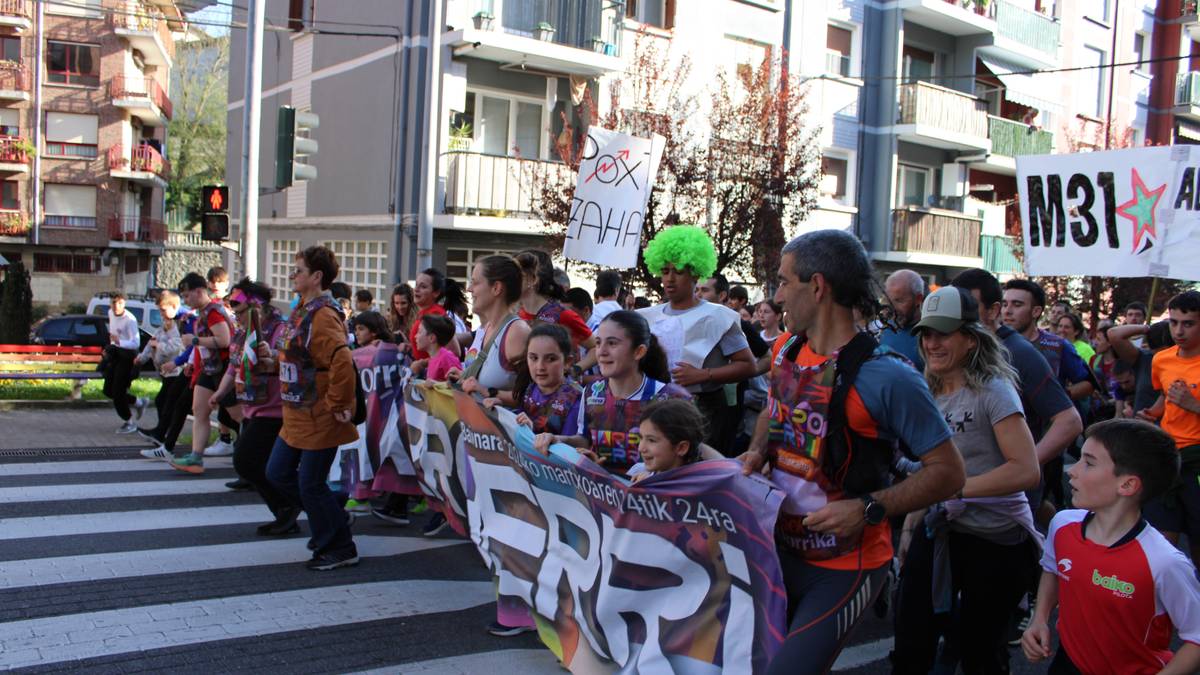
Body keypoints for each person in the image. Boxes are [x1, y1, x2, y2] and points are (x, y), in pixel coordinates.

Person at [740, 230, 965, 675]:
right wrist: (758, 450)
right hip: (778, 549)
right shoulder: (786, 349)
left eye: (783, 282)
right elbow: (773, 408)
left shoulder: (887, 376)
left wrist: (867, 509)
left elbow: (949, 473)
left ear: (817, 286)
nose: (777, 296)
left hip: (845, 565)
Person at [891, 286, 1041, 674]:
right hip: (940, 527)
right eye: (926, 334)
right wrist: (910, 526)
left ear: (971, 339)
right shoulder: (927, 390)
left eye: (943, 333)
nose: (931, 343)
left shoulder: (994, 390)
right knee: (910, 642)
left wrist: (953, 489)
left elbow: (1026, 470)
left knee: (981, 652)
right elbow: (931, 468)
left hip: (994, 537)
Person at [951, 268, 1082, 643]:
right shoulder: (952, 346)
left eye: (968, 308)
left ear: (991, 312)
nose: (957, 317)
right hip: (960, 505)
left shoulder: (1020, 353)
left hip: (1004, 511)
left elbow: (1069, 421)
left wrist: (1023, 465)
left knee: (987, 629)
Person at [1021, 419, 1200, 675]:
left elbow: (1196, 638)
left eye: (1089, 463)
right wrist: (1039, 619)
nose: (1073, 471)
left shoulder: (1163, 562)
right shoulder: (1062, 525)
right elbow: (1053, 569)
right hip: (1067, 664)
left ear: (1127, 485)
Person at [266, 245, 360, 570]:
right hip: (296, 413)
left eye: (299, 271)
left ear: (317, 276)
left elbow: (342, 360)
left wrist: (338, 403)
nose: (292, 275)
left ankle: (339, 546)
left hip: (318, 413)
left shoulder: (323, 315)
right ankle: (332, 513)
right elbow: (298, 357)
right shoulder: (302, 309)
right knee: (277, 474)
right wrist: (270, 362)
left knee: (310, 484)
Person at [639, 227, 757, 454]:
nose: (669, 279)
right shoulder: (646, 317)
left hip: (704, 411)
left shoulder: (718, 316)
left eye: (678, 271)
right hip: (657, 406)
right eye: (665, 271)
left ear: (695, 274)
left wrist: (704, 375)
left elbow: (748, 365)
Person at [534, 311, 692, 476]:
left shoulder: (671, 399)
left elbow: (689, 458)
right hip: (599, 489)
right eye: (598, 343)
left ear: (639, 351)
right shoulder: (592, 392)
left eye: (612, 343)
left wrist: (652, 475)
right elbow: (586, 439)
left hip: (651, 491)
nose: (601, 352)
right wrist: (559, 440)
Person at [206, 278, 296, 535]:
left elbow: (290, 360)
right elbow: (234, 365)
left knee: (246, 462)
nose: (235, 315)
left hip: (275, 410)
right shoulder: (241, 332)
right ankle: (287, 511)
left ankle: (294, 506)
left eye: (239, 309)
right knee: (262, 466)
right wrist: (220, 392)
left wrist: (273, 355)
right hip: (253, 407)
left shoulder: (280, 329)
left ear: (256, 307)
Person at [1137, 291, 1200, 562]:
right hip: (1167, 459)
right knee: (1161, 547)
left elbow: (1184, 401)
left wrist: (1193, 405)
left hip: (1197, 462)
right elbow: (1166, 395)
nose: (1179, 331)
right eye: (1174, 322)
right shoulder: (1162, 359)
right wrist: (1152, 414)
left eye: (1188, 324)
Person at [171, 273, 236, 475]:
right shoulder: (204, 312)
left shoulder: (214, 312)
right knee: (199, 410)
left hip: (224, 368)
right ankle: (196, 457)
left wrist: (195, 340)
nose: (185, 301)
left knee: (238, 415)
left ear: (199, 292)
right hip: (209, 368)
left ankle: (255, 452)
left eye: (187, 295)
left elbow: (224, 340)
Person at [514, 249, 596, 369]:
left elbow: (596, 348)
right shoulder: (514, 314)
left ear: (532, 279)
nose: (508, 279)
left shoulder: (563, 315)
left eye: (515, 273)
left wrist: (577, 369)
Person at [510, 324, 582, 439]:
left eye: (551, 359)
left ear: (567, 362)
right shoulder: (531, 388)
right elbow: (520, 417)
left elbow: (568, 446)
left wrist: (531, 432)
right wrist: (498, 410)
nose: (540, 367)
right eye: (534, 358)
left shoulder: (575, 400)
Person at [134, 291, 183, 444]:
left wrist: (159, 345)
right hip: (165, 371)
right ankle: (162, 432)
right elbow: (152, 342)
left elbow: (175, 347)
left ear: (174, 306)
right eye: (159, 310)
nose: (161, 314)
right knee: (164, 401)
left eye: (163, 310)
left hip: (176, 370)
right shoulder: (165, 325)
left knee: (164, 401)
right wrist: (142, 358)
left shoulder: (178, 325)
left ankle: (163, 433)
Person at [204, 266, 240, 458]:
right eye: (213, 282)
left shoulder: (227, 305)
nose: (216, 285)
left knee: (230, 404)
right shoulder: (210, 306)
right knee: (221, 402)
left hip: (229, 358)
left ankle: (232, 438)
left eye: (220, 282)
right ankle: (225, 438)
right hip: (216, 360)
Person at [629, 398, 707, 483]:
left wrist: (651, 488)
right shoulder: (637, 471)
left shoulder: (696, 486)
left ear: (681, 448)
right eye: (641, 438)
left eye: (651, 440)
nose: (640, 448)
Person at [103, 292, 144, 433]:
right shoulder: (110, 313)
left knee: (118, 391)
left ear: (124, 303)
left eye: (119, 303)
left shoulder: (130, 319)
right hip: (116, 353)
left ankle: (129, 422)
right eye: (113, 303)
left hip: (128, 356)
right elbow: (113, 336)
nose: (116, 306)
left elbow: (136, 343)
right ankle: (138, 402)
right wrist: (110, 348)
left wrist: (120, 341)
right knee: (108, 390)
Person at [410, 268, 467, 358]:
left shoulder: (436, 314)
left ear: (436, 293)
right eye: (416, 285)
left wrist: (423, 363)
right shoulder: (424, 312)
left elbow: (454, 352)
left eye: (423, 287)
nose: (416, 289)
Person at [880, 269, 926, 371]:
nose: (892, 308)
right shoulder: (882, 330)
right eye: (889, 301)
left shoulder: (930, 336)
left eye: (899, 301)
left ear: (918, 299)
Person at [413, 314, 461, 382]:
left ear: (431, 338)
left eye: (419, 332)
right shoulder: (433, 358)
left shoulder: (446, 357)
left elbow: (459, 383)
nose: (415, 336)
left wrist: (435, 384)